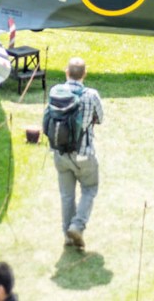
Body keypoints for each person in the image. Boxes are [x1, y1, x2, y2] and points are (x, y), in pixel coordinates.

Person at [53, 56, 103, 250]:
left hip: (60, 153)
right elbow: (101, 118)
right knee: (89, 189)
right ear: (85, 74)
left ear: (66, 72)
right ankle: (77, 225)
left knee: (66, 195)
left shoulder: (55, 91)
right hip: (84, 153)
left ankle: (67, 234)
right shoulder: (91, 95)